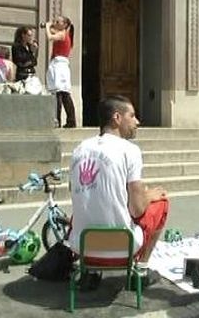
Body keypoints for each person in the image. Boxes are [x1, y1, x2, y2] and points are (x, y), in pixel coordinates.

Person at [69, 95, 169, 289]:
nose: (137, 122)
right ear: (117, 118)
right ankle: (141, 271)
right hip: (121, 247)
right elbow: (138, 209)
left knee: (86, 202)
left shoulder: (78, 149)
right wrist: (149, 195)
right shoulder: (129, 150)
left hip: (82, 245)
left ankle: (90, 271)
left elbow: (75, 193)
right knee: (162, 202)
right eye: (132, 116)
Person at [45, 16, 76, 128]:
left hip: (60, 65)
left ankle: (61, 120)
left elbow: (49, 37)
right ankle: (66, 120)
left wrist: (48, 27)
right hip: (58, 64)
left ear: (65, 25)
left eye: (58, 21)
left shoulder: (62, 34)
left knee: (60, 93)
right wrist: (50, 26)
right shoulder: (62, 33)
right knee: (60, 93)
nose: (55, 23)